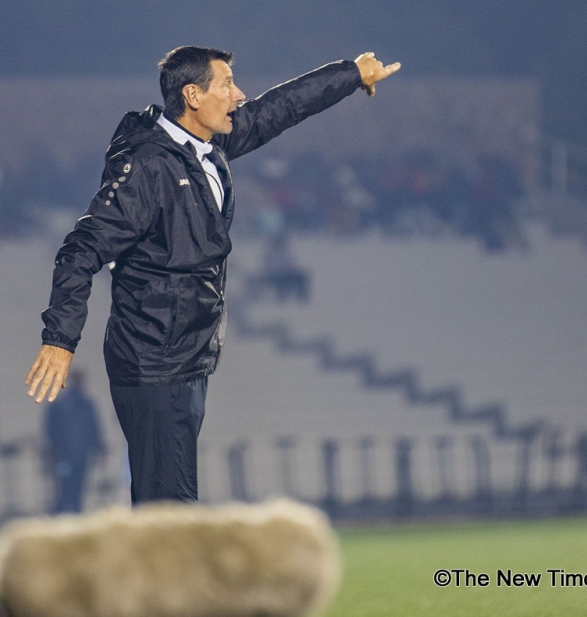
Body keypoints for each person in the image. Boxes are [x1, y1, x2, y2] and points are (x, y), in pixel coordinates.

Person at [25, 47, 400, 504]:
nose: (239, 95)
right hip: (153, 362)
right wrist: (60, 339)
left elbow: (278, 110)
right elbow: (81, 249)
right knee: (171, 508)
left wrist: (350, 74)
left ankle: (160, 575)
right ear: (193, 95)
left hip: (185, 357)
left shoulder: (206, 147)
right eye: (226, 84)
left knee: (168, 504)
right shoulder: (149, 166)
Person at [43, 370, 106, 513]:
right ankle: (61, 516)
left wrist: (98, 450)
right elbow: (50, 430)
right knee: (63, 489)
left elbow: (94, 428)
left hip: (82, 456)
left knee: (79, 489)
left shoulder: (87, 404)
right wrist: (53, 451)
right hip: (63, 457)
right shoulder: (59, 404)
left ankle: (76, 514)